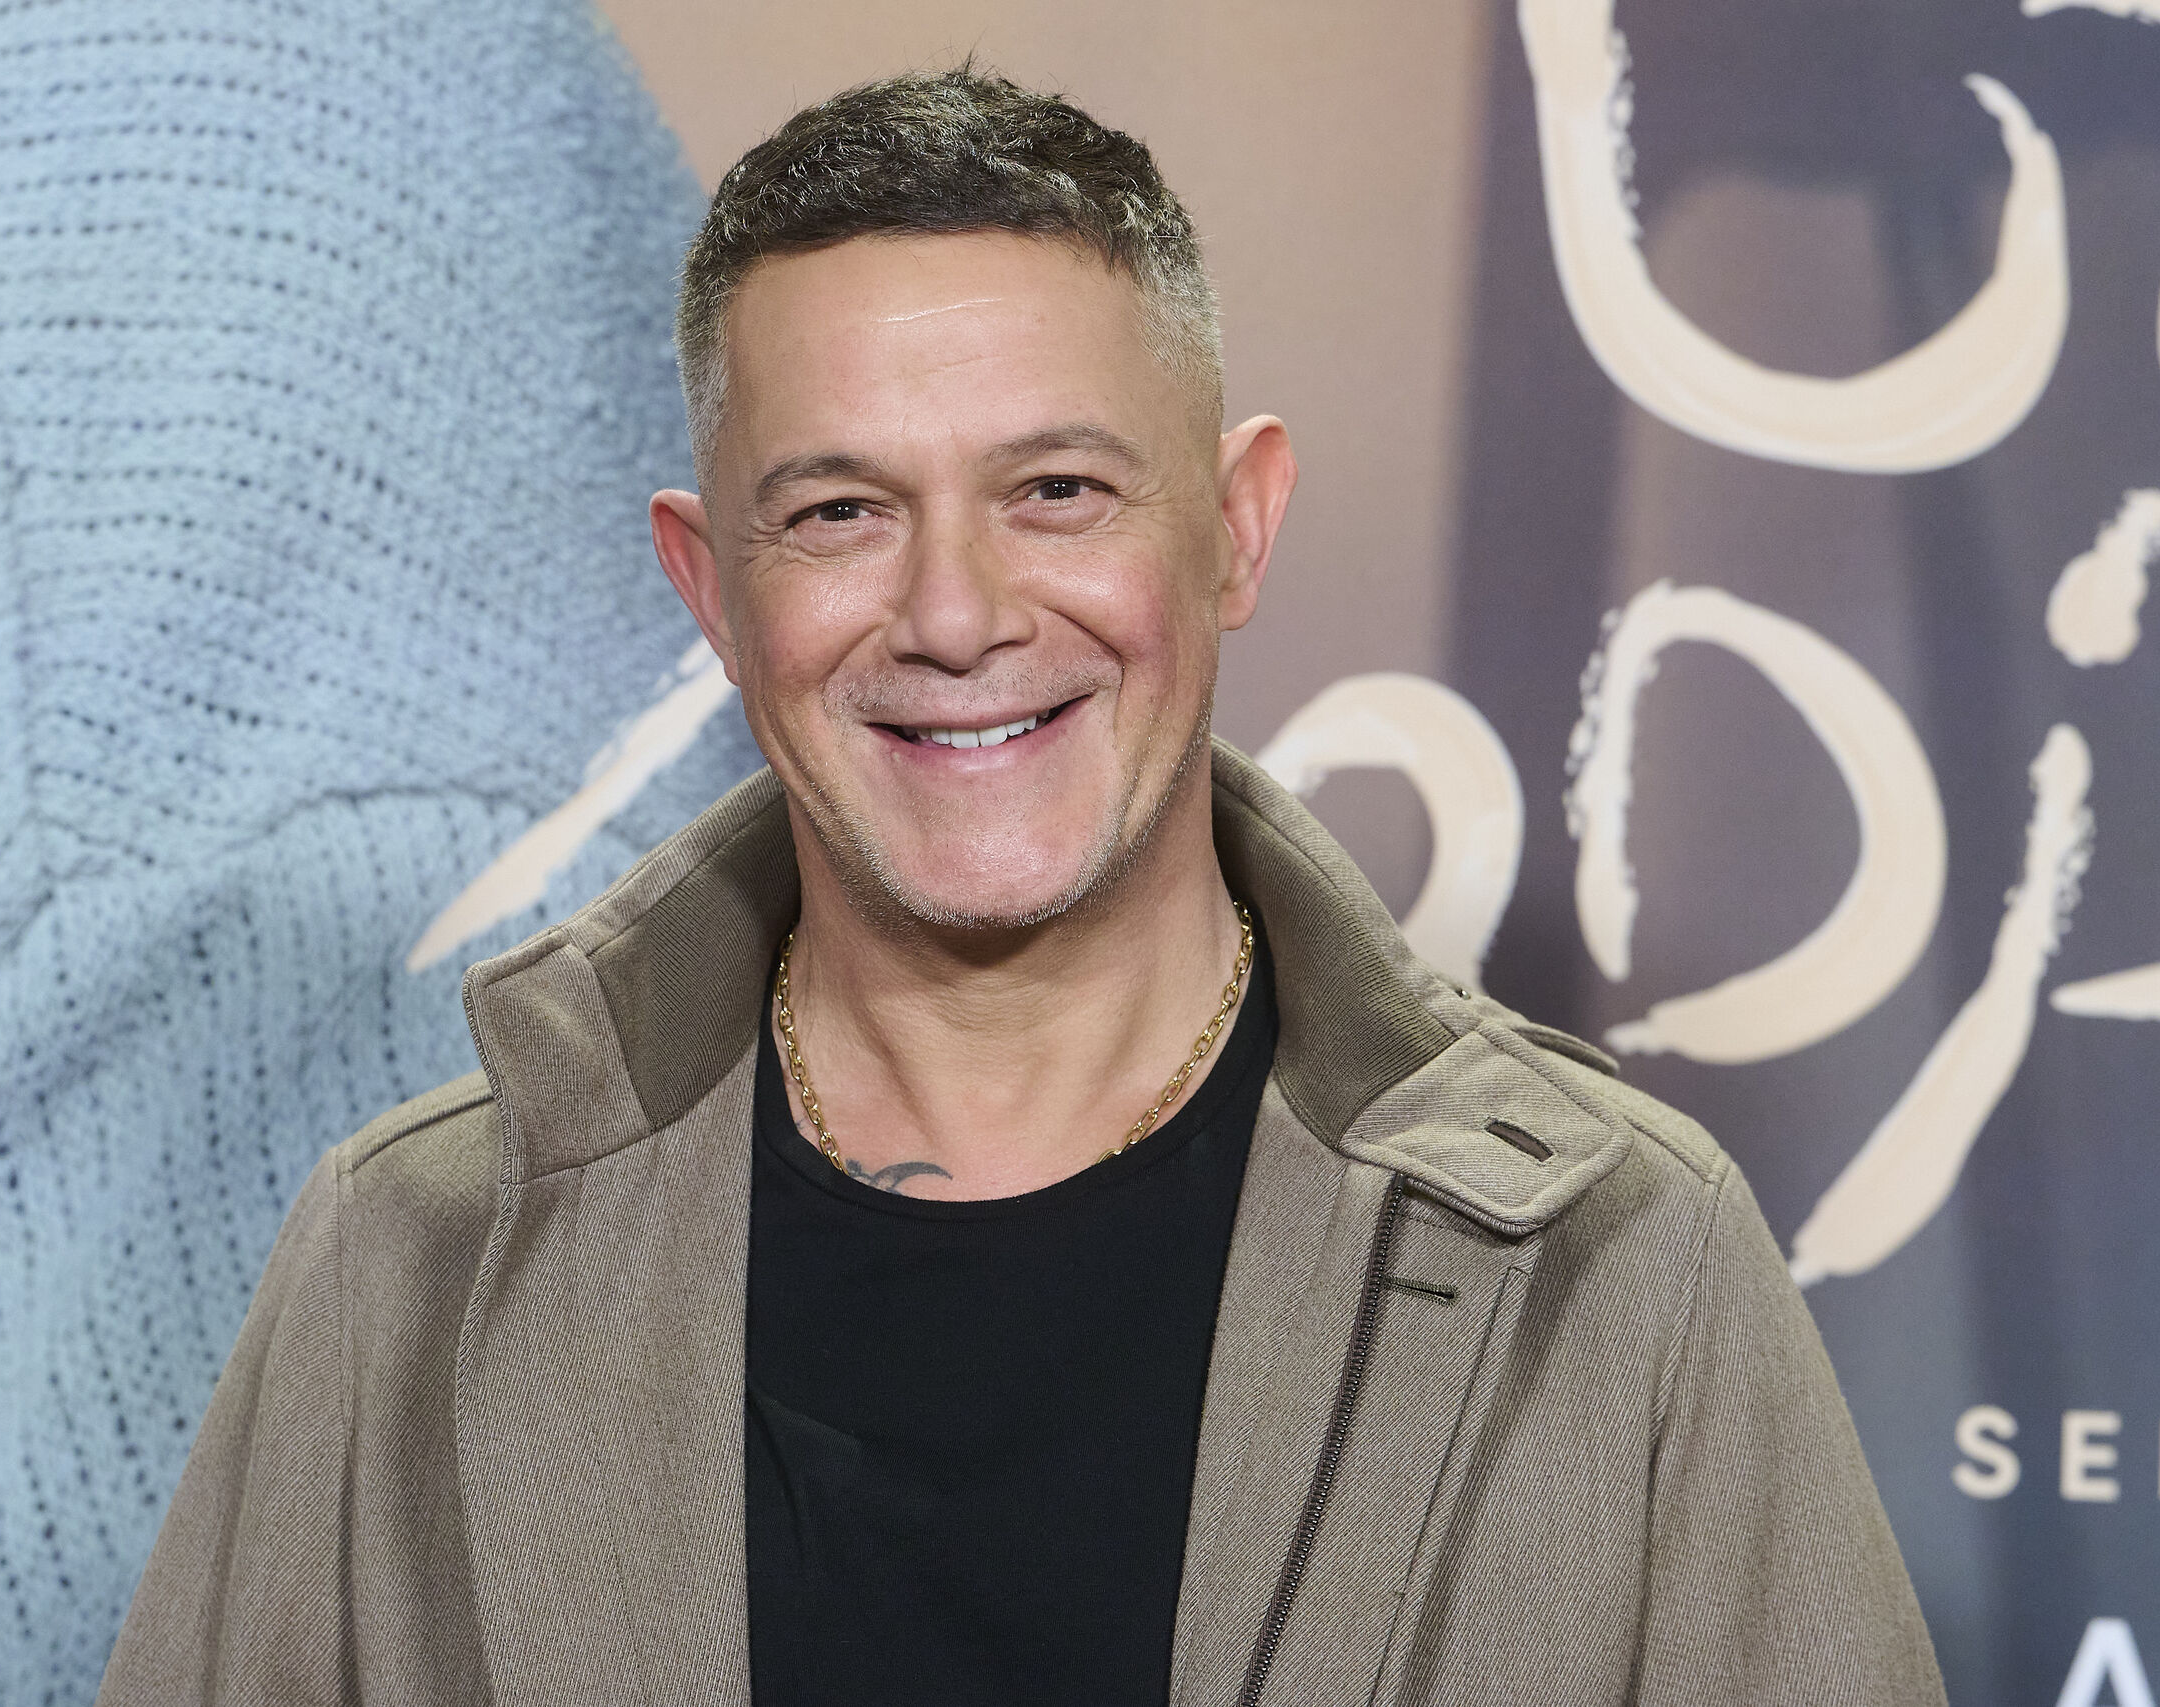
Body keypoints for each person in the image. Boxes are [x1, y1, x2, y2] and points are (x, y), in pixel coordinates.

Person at [98, 65, 1945, 1707]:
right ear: (711, 590)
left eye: (1056, 489)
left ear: (1235, 529)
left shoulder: (1616, 1265)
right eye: (840, 511)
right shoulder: (412, 1264)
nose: (956, 615)